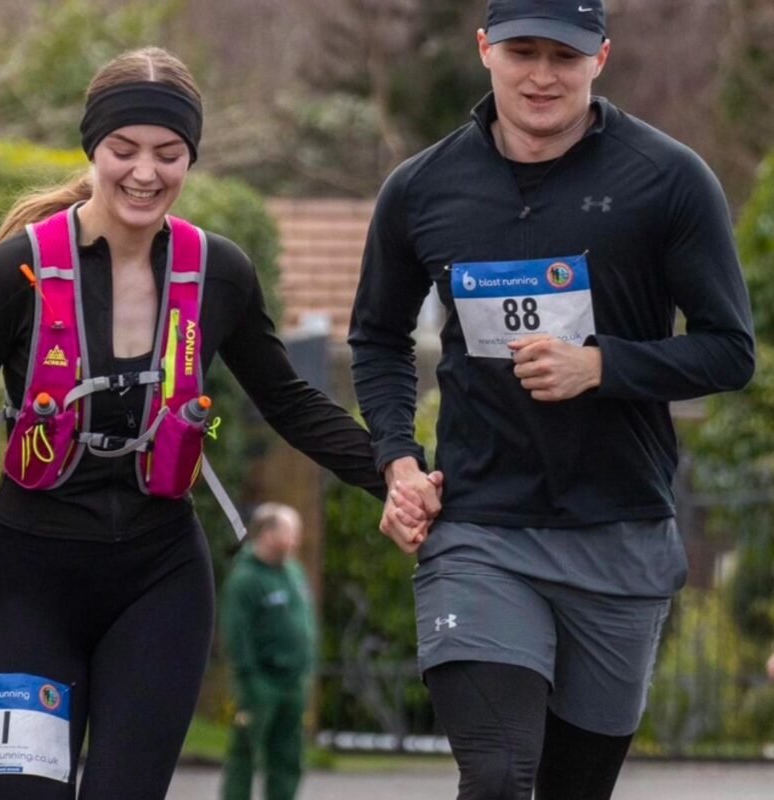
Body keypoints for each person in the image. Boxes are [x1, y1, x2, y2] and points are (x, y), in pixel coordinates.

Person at [0, 47, 437, 800]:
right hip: (25, 585)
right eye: (124, 149)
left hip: (158, 585)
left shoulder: (217, 272)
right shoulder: (13, 273)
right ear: (92, 147)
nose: (145, 173)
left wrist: (397, 472)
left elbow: (290, 402)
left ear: (191, 157)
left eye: (169, 153)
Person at [349, 0, 755, 798]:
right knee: (499, 774)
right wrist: (398, 460)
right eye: (522, 52)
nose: (542, 76)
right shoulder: (423, 188)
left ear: (600, 58)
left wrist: (600, 367)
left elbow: (729, 350)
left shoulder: (668, 180)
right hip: (479, 528)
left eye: (564, 57)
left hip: (619, 531)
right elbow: (378, 338)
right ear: (485, 50)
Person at [220, 503, 315, 800]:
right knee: (246, 751)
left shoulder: (294, 571)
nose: (296, 540)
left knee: (288, 755)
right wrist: (248, 676)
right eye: (290, 532)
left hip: (294, 680)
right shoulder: (246, 578)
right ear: (268, 533)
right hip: (261, 681)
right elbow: (236, 632)